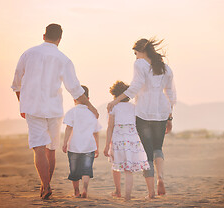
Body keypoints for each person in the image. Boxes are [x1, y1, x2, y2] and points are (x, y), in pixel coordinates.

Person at [11, 24, 99, 199]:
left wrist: (23, 104)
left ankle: (46, 185)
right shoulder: (63, 59)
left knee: (38, 149)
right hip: (54, 109)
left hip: (33, 108)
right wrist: (91, 107)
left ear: (44, 36)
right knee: (50, 150)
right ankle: (45, 186)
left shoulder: (28, 54)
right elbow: (75, 89)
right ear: (60, 39)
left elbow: (16, 83)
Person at [107, 38, 176, 199]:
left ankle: (151, 193)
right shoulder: (166, 68)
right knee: (158, 148)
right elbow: (171, 94)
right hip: (161, 113)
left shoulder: (140, 64)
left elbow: (135, 86)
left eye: (135, 53)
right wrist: (170, 117)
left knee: (147, 153)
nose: (135, 56)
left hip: (144, 113)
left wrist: (116, 100)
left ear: (141, 51)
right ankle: (161, 179)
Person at [104, 81, 150, 201]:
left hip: (118, 139)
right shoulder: (134, 107)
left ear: (114, 94)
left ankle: (118, 191)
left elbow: (110, 127)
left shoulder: (113, 107)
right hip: (132, 140)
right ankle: (128, 196)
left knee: (116, 165)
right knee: (128, 170)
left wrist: (106, 145)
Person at [62, 85, 101, 198]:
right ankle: (85, 189)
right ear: (88, 99)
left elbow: (68, 128)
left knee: (74, 170)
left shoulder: (72, 112)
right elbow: (96, 132)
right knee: (86, 170)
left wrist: (65, 143)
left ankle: (76, 191)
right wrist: (97, 147)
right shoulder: (92, 114)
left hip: (74, 147)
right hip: (89, 147)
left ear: (74, 99)